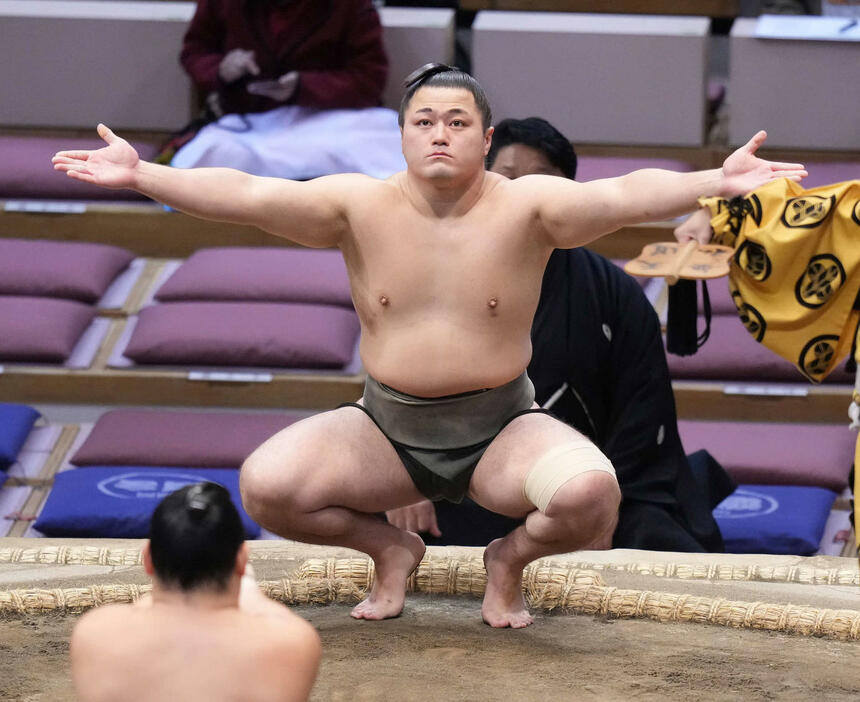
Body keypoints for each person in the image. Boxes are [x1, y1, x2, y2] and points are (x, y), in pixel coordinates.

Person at [53, 63, 806, 628]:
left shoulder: (529, 208)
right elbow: (248, 197)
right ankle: (388, 550)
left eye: (455, 121)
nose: (439, 132)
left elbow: (619, 197)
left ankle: (507, 561)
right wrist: (143, 173)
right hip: (386, 428)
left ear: (485, 136)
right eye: (423, 121)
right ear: (404, 135)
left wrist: (718, 179)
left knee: (591, 494)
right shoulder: (356, 205)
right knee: (267, 487)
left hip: (501, 427)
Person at [387, 117, 733, 552]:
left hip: (595, 484)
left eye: (541, 185)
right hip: (460, 484)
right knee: (376, 522)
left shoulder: (613, 294)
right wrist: (407, 480)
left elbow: (642, 418)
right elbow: (394, 386)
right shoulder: (431, 282)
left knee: (660, 545)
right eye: (509, 179)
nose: (524, 197)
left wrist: (601, 504)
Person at [70, 482, 321, 702]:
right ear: (242, 562)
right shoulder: (291, 641)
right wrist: (252, 594)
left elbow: (145, 608)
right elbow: (266, 614)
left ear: (148, 559)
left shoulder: (95, 632)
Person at [170, 0, 405, 180]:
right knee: (212, 156)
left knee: (391, 149)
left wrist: (303, 86)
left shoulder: (350, 5)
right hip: (249, 124)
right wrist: (221, 69)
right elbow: (195, 51)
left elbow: (369, 79)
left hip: (330, 122)